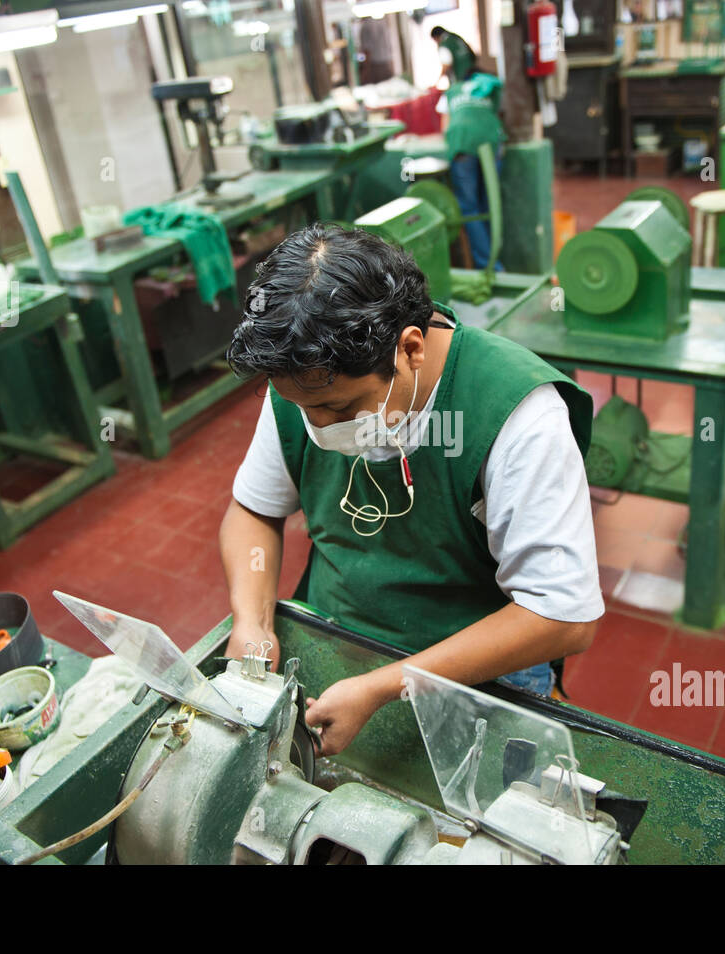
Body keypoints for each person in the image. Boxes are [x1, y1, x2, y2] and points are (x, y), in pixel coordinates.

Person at [221, 225, 603, 756]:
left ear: (411, 348)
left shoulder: (517, 416)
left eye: (339, 410)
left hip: (472, 670)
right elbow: (253, 512)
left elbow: (561, 615)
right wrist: (253, 621)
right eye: (302, 408)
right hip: (338, 636)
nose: (318, 425)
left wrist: (383, 687)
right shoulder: (305, 376)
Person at [438, 70, 505, 269]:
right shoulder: (490, 87)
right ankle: (494, 262)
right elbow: (498, 116)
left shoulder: (450, 92)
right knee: (490, 204)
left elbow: (445, 126)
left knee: (469, 209)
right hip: (491, 141)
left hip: (462, 143)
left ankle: (488, 265)